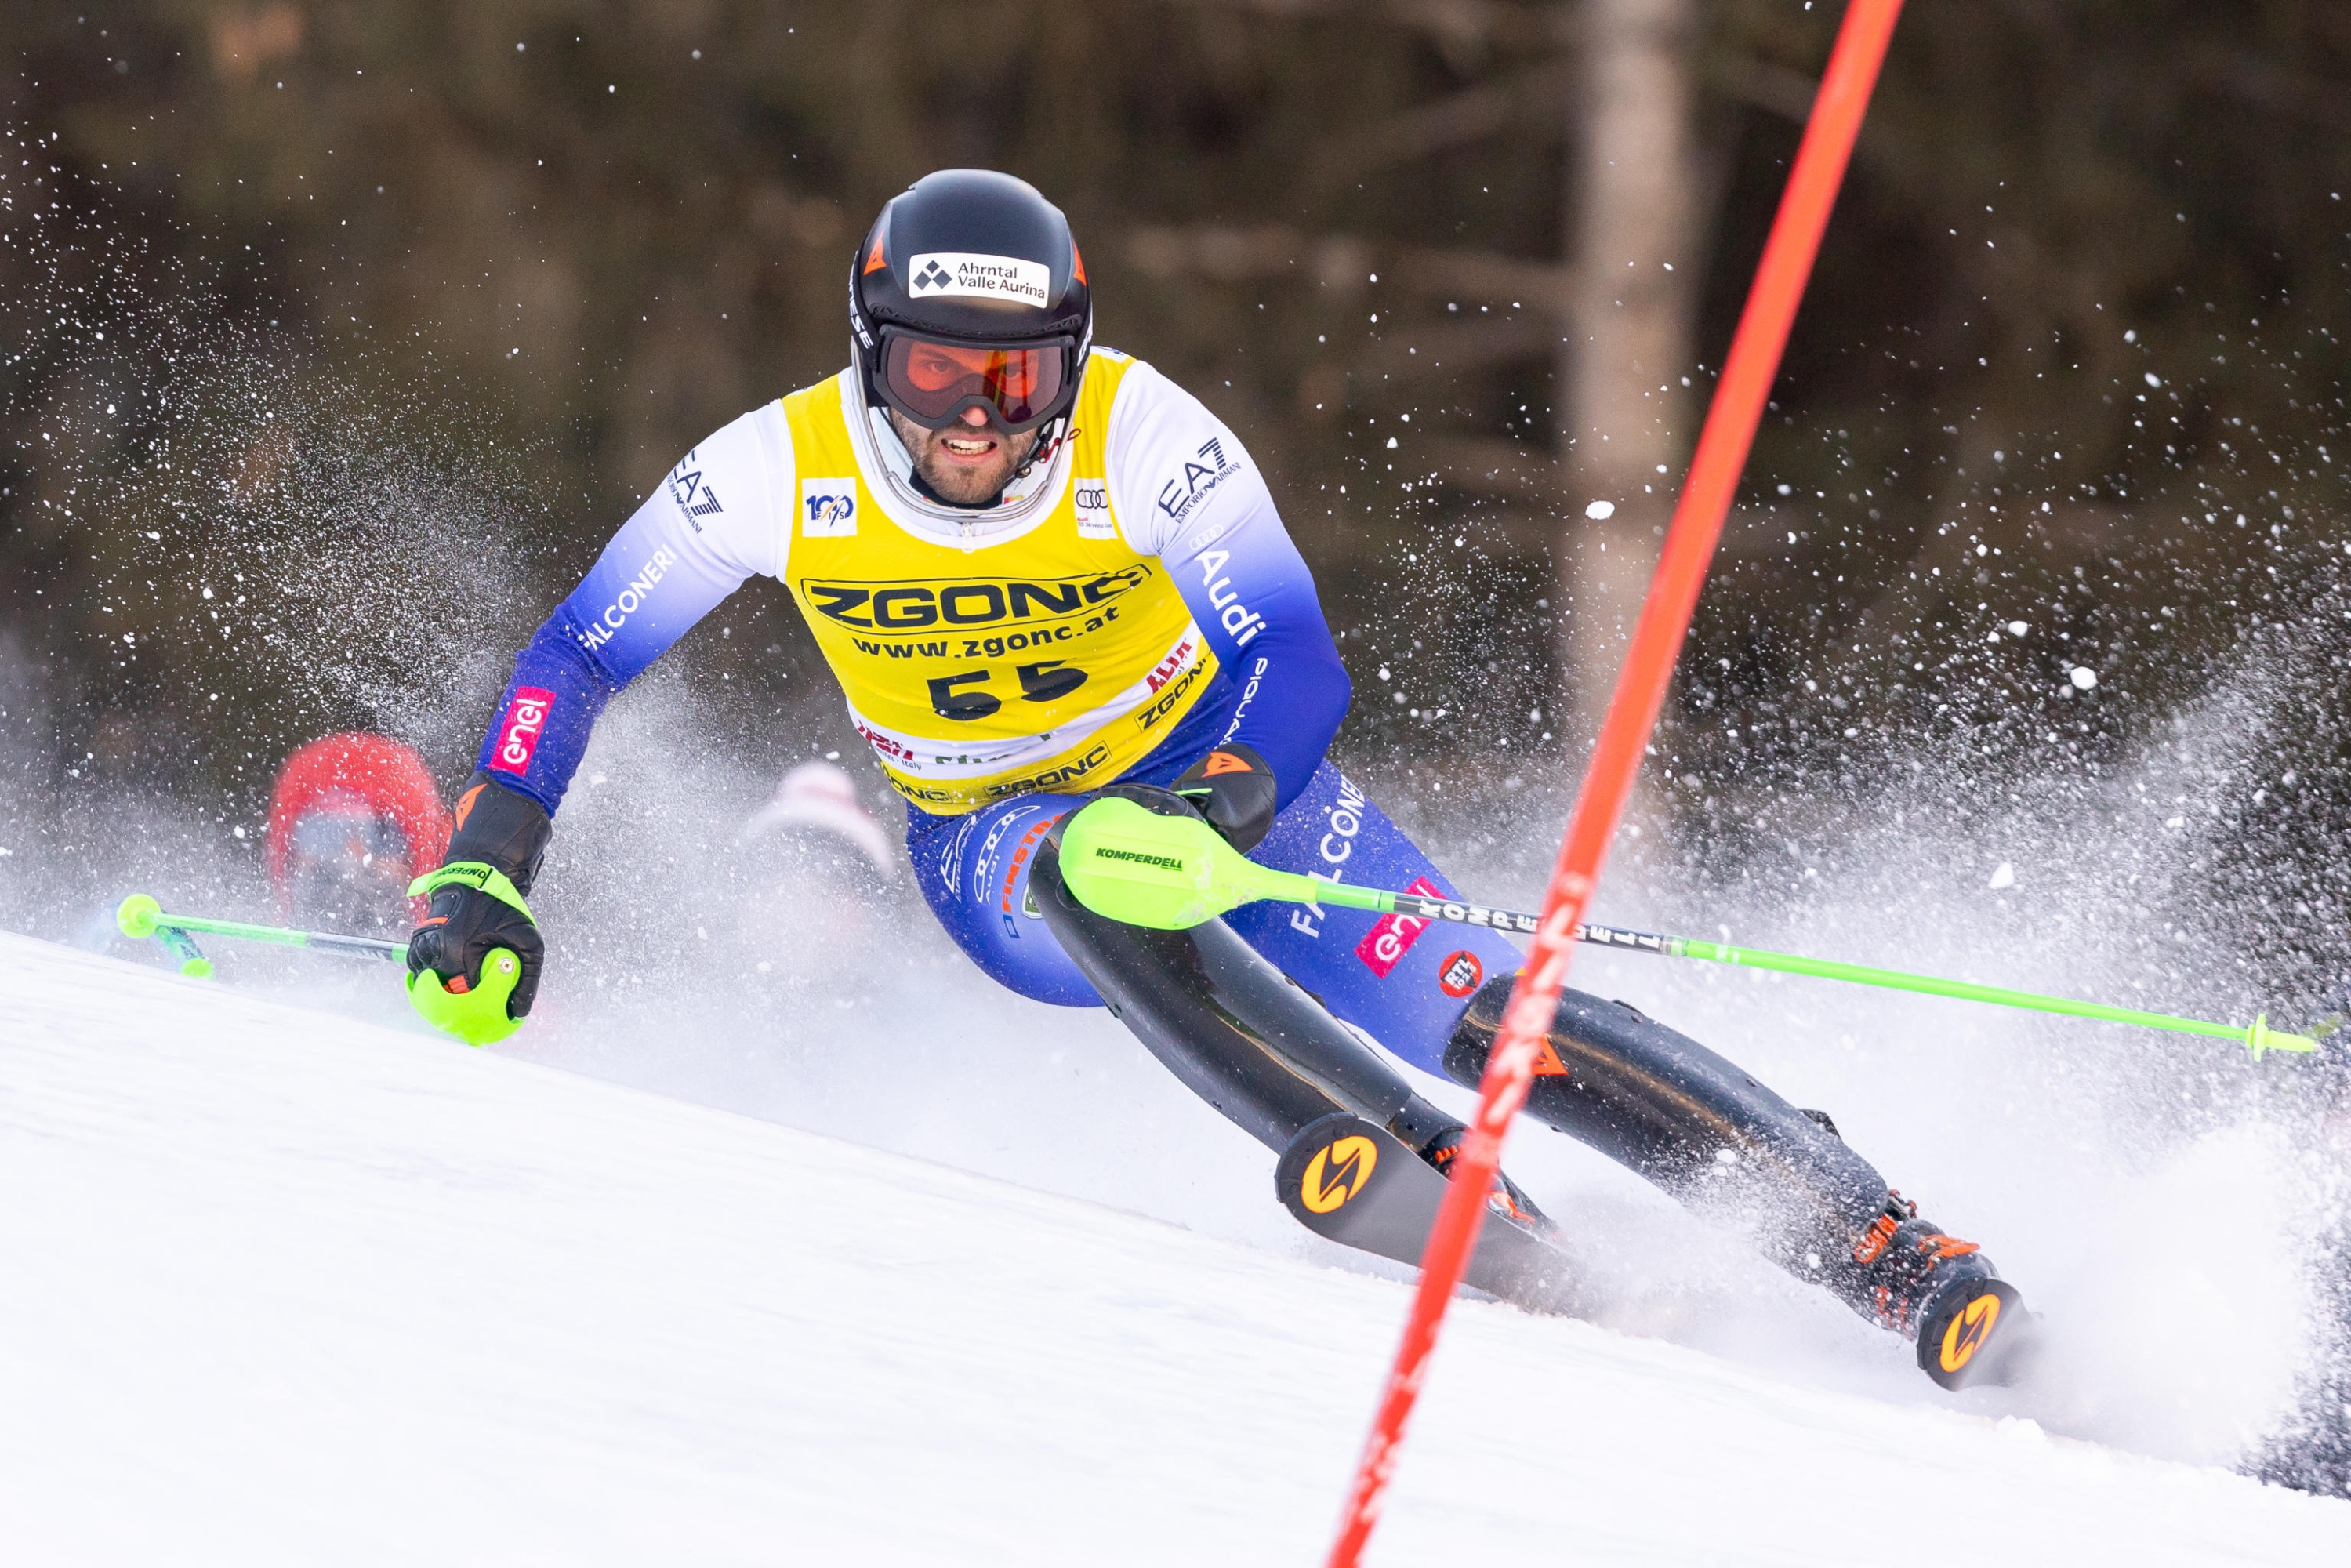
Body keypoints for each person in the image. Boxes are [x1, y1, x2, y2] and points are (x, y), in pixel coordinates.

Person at [404, 169, 2033, 1388]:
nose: (976, 423)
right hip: (990, 837)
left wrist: (1229, 795)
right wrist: (484, 861)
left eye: (1016, 378)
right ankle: (1390, 1153)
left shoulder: (1141, 435)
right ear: (866, 358)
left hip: (1216, 777)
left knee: (1493, 1010)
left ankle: (1880, 1242)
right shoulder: (770, 473)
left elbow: (1294, 662)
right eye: (932, 376)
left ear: (1072, 361)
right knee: (1085, 859)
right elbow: (575, 657)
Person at [267, 731, 450, 938]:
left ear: (418, 858)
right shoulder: (257, 954)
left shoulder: (455, 958)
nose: (353, 856)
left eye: (380, 836)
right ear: (288, 849)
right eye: (325, 834)